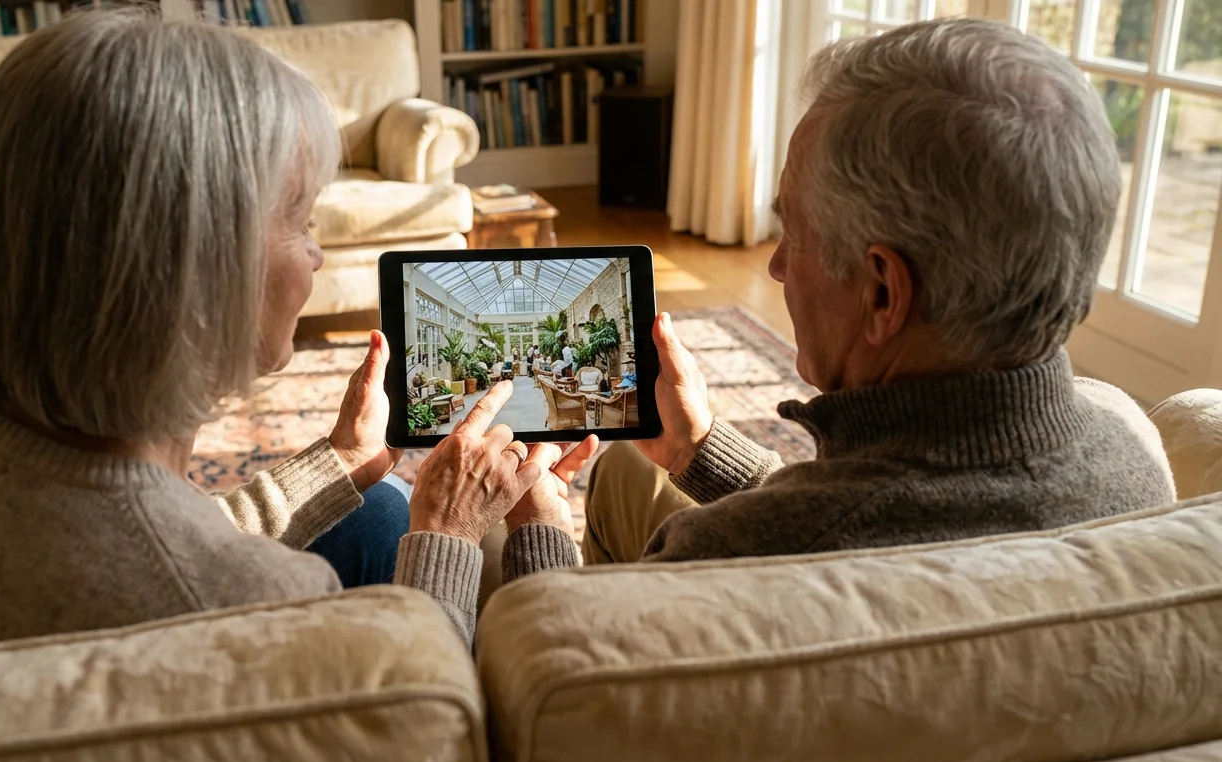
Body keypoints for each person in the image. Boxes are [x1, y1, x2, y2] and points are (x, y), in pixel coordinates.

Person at [0, 12, 594, 654]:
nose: (318, 254)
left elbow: (154, 525)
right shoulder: (240, 599)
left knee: (375, 511)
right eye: (300, 221)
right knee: (424, 528)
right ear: (201, 276)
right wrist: (463, 535)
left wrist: (337, 463)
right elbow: (420, 715)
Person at [499, 18, 1176, 574]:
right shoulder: (1131, 445)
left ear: (883, 293)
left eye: (793, 229)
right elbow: (866, 514)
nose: (775, 266)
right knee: (627, 470)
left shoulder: (739, 555)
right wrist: (696, 451)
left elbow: (554, 681)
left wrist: (538, 529)